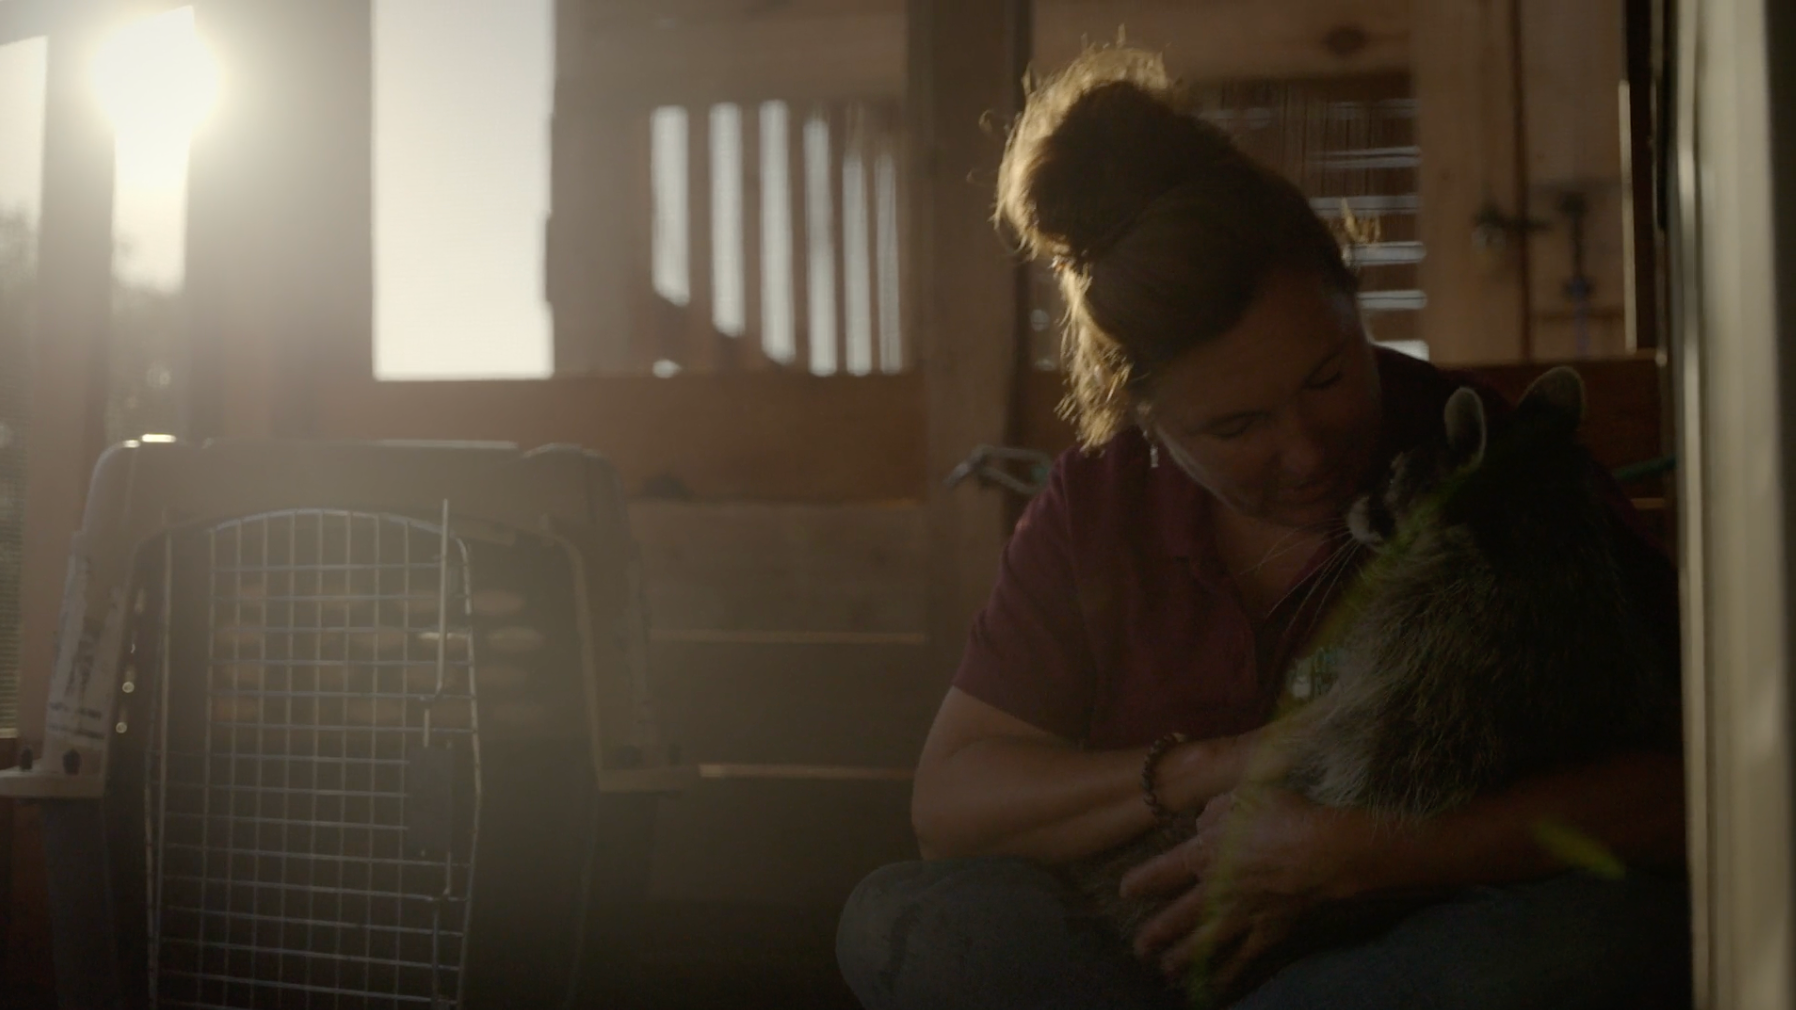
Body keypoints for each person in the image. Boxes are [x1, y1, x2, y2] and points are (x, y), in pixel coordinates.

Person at [835, 48, 1690, 1010]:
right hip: (1146, 956)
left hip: (1404, 947)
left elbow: (1680, 794)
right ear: (1145, 418)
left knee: (1608, 936)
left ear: (1356, 304)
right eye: (1237, 427)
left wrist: (1363, 855)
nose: (1307, 451)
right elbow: (953, 809)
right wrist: (1223, 764)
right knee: (904, 917)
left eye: (1328, 377)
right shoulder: (1101, 505)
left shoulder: (1493, 467)